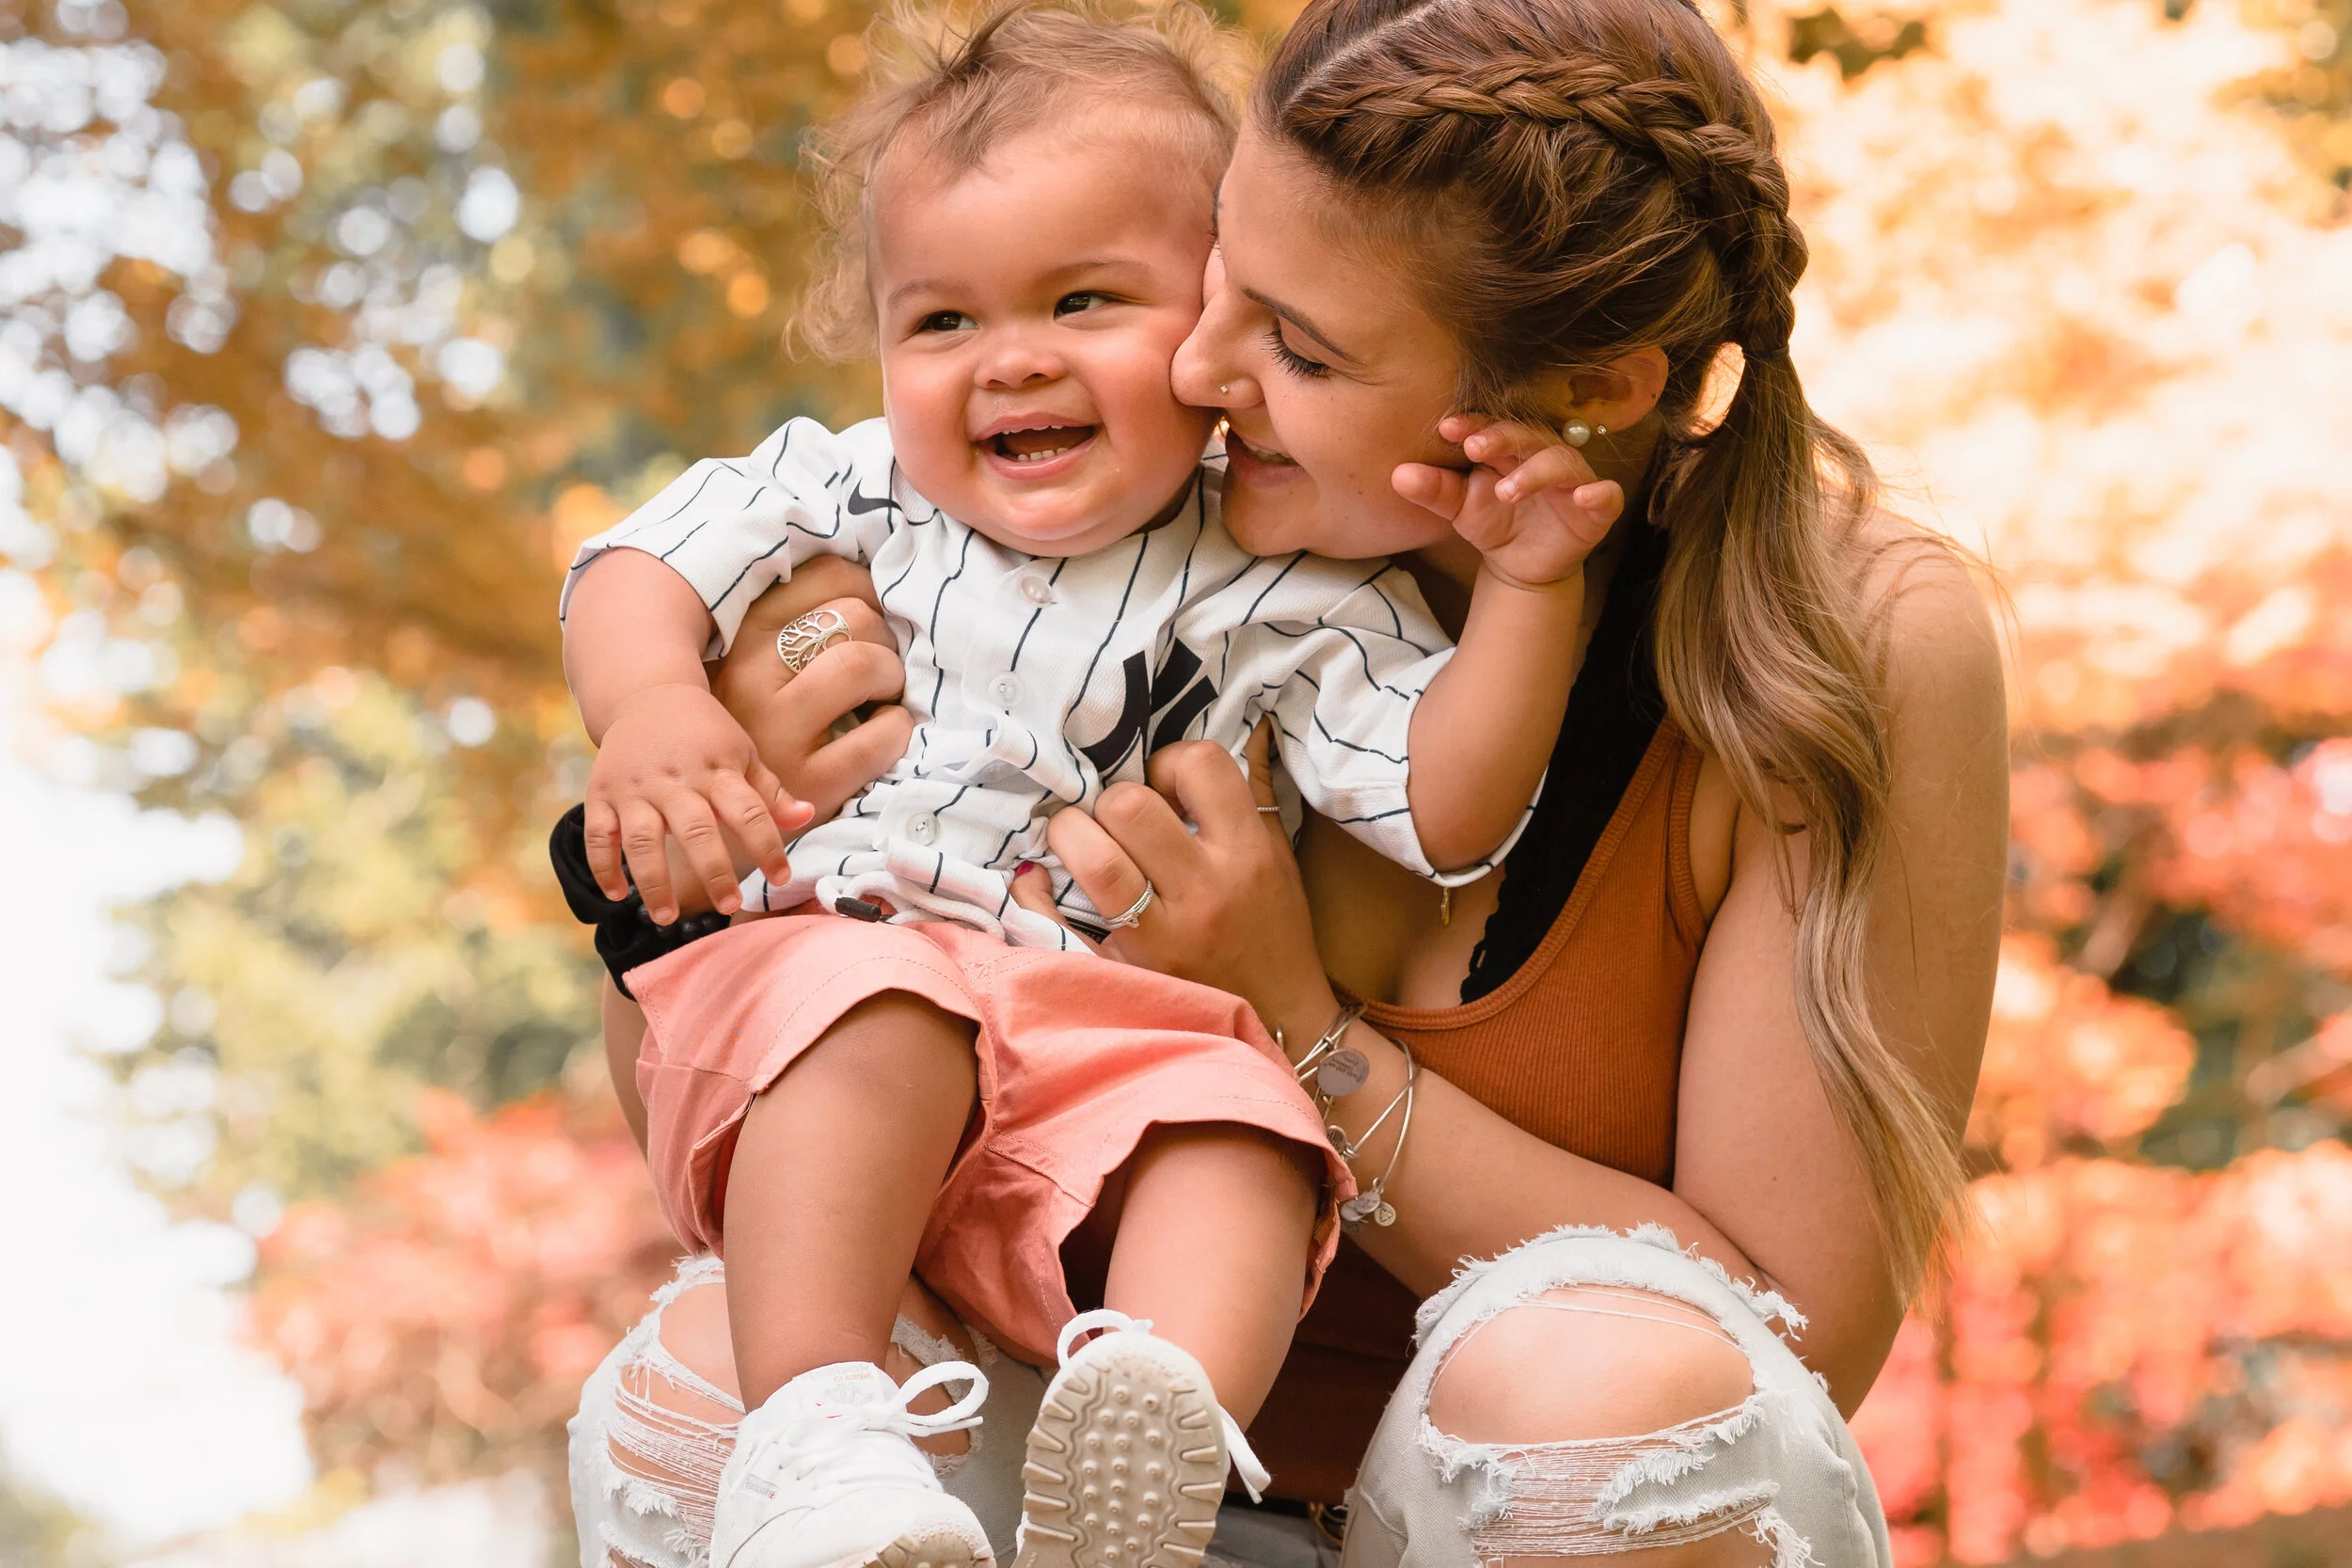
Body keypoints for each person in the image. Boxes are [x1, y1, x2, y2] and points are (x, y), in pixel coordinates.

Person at [568, 0, 2010, 1563]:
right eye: (1217, 283)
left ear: (1590, 388)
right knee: (712, 1386)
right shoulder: (970, 549)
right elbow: (710, 1097)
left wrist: (1295, 1020)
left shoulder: (1835, 634)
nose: (1198, 364)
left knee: (1603, 1401)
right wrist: (703, 840)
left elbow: (1783, 1327)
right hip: (1063, 1451)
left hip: (1498, 1499)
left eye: (1298, 345)